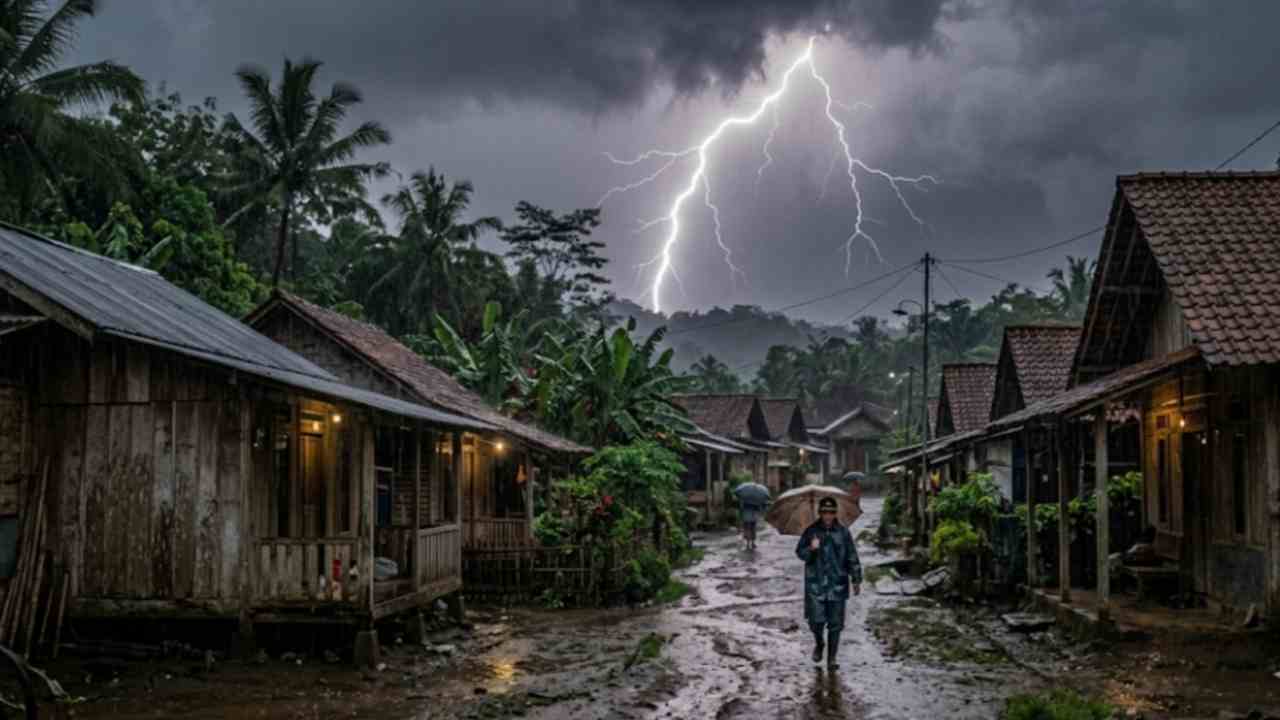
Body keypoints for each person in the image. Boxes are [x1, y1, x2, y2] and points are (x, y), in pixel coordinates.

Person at [795, 496, 862, 669]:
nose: (828, 516)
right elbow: (800, 553)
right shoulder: (811, 531)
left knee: (835, 625)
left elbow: (852, 557)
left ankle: (832, 658)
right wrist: (811, 548)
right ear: (819, 513)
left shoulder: (843, 532)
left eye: (831, 512)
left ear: (835, 513)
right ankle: (819, 643)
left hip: (837, 584)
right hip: (815, 584)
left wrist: (856, 579)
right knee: (815, 621)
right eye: (824, 512)